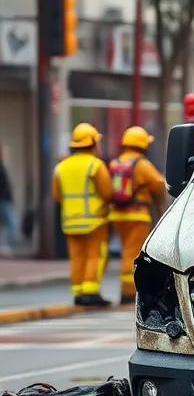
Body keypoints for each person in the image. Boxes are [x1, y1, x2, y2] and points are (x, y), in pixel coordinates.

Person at [52, 123, 112, 306]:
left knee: (76, 256)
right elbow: (107, 192)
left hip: (70, 221)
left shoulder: (60, 167)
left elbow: (57, 195)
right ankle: (90, 292)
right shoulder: (95, 165)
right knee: (95, 255)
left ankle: (78, 291)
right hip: (94, 220)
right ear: (93, 142)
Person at [109, 127, 167, 304]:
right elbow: (158, 183)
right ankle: (128, 292)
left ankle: (127, 289)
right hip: (137, 215)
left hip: (117, 216)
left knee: (126, 249)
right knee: (132, 253)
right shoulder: (141, 164)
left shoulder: (114, 164)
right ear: (142, 145)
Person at [0, 145, 17, 254]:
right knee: (12, 224)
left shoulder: (2, 166)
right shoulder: (1, 167)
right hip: (4, 200)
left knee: (4, 224)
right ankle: (7, 247)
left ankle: (4, 246)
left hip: (5, 199)